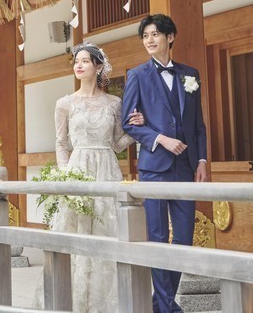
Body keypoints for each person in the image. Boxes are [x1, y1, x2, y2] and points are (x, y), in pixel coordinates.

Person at [121, 14, 209, 313]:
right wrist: (160, 138)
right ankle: (167, 307)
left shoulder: (190, 75)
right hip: (154, 169)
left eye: (156, 34)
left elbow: (198, 124)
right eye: (145, 35)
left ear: (170, 37)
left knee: (183, 238)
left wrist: (201, 159)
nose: (150, 39)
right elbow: (129, 124)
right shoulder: (137, 75)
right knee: (157, 238)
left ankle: (161, 303)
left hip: (186, 168)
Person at [50, 42, 143, 312]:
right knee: (76, 231)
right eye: (76, 61)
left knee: (107, 230)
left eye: (85, 61)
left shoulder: (114, 103)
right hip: (77, 170)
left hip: (107, 169)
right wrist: (65, 177)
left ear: (98, 66)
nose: (78, 65)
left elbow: (117, 144)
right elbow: (60, 143)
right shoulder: (65, 104)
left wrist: (137, 129)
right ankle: (72, 302)